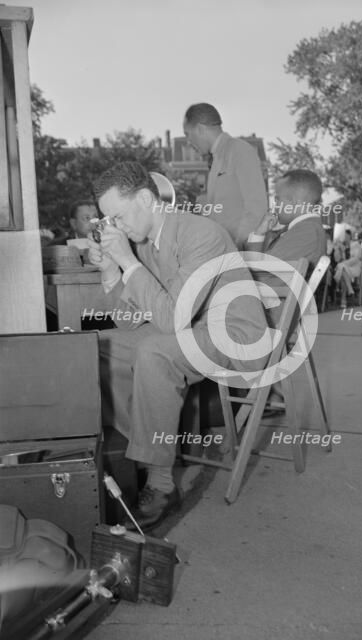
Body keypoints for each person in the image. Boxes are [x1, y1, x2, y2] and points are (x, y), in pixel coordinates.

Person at [87, 161, 269, 530]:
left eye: (117, 217)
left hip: (233, 334)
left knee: (153, 353)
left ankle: (160, 482)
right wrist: (111, 271)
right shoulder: (145, 246)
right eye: (108, 222)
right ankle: (141, 449)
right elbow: (127, 320)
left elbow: (171, 319)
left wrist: (124, 260)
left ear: (144, 198)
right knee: (94, 347)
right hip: (187, 331)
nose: (115, 228)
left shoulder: (200, 232)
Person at [183, 103, 268, 248]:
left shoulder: (240, 150)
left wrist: (238, 247)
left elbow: (257, 207)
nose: (188, 142)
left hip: (240, 255)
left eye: (187, 134)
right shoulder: (216, 160)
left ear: (200, 129)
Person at [245, 169, 326, 269]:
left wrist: (258, 234)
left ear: (294, 202)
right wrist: (260, 233)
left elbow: (257, 272)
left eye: (277, 199)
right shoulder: (306, 228)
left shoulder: (306, 231)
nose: (275, 205)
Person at [334, 229, 362, 307]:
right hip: (344, 269)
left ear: (349, 236)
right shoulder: (341, 246)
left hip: (354, 267)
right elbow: (337, 259)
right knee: (342, 269)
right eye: (343, 236)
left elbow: (357, 258)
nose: (345, 237)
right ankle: (349, 291)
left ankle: (344, 299)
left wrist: (344, 263)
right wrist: (337, 248)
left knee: (341, 267)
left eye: (346, 235)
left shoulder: (355, 244)